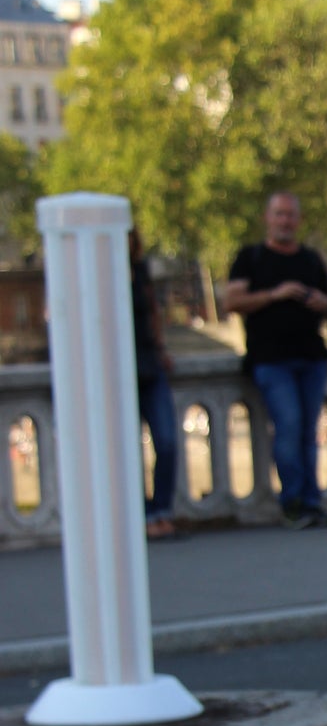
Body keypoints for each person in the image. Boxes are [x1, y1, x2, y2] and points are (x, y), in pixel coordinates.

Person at [221, 192, 327, 527]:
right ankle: (293, 502)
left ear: (298, 220)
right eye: (279, 215)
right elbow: (231, 300)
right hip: (271, 358)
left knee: (308, 432)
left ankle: (312, 502)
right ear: (267, 218)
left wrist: (321, 302)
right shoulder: (251, 258)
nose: (285, 221)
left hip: (311, 355)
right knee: (288, 426)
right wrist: (276, 294)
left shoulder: (311, 260)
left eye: (290, 215)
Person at [130, 227, 179, 538]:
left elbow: (153, 313)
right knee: (126, 449)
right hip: (116, 369)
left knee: (167, 440)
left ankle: (161, 509)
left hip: (149, 362)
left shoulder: (140, 270)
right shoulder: (97, 271)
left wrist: (161, 347)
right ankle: (140, 513)